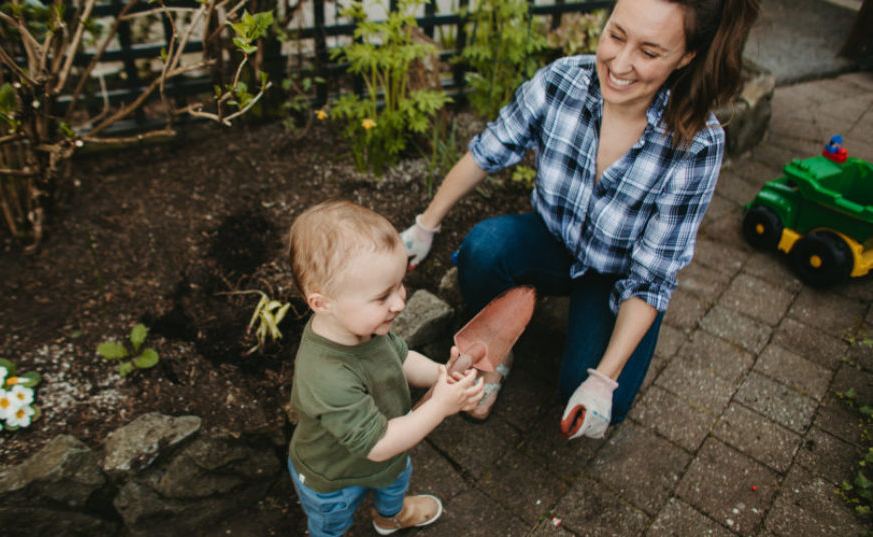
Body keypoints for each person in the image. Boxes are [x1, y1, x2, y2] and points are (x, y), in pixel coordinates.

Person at [401, 0, 760, 437]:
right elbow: (487, 151)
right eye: (616, 35)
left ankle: (594, 352)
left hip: (616, 275)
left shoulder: (697, 143)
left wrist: (602, 381)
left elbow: (652, 277)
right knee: (483, 248)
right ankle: (497, 355)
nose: (620, 64)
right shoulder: (561, 81)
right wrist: (426, 224)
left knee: (596, 397)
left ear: (686, 57)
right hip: (553, 241)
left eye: (649, 52)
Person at [287, 200, 485, 537]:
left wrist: (442, 375)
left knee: (394, 484)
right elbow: (377, 444)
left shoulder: (364, 325)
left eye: (399, 285)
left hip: (392, 454)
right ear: (322, 303)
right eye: (383, 296)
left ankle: (392, 517)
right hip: (334, 478)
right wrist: (440, 405)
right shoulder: (327, 376)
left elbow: (402, 358)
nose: (399, 302)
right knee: (331, 525)